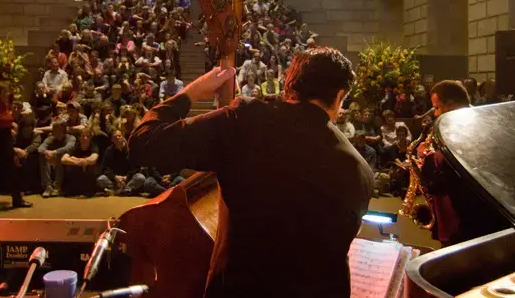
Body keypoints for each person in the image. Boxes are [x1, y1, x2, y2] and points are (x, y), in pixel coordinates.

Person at [130, 47, 374, 297]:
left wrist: (192, 92)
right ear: (339, 96)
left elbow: (145, 144)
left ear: (289, 85)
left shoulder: (245, 119)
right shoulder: (360, 171)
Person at [421, 80, 508, 247]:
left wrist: (429, 160)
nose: (436, 114)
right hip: (489, 215)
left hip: (472, 219)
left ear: (452, 104)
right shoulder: (484, 120)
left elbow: (442, 183)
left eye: (438, 107)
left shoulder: (460, 129)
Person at [0, 82, 32, 208]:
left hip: (6, 140)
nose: (8, 94)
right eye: (5, 92)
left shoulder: (4, 105)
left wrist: (10, 126)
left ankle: (17, 198)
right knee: (1, 170)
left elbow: (5, 122)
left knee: (12, 169)